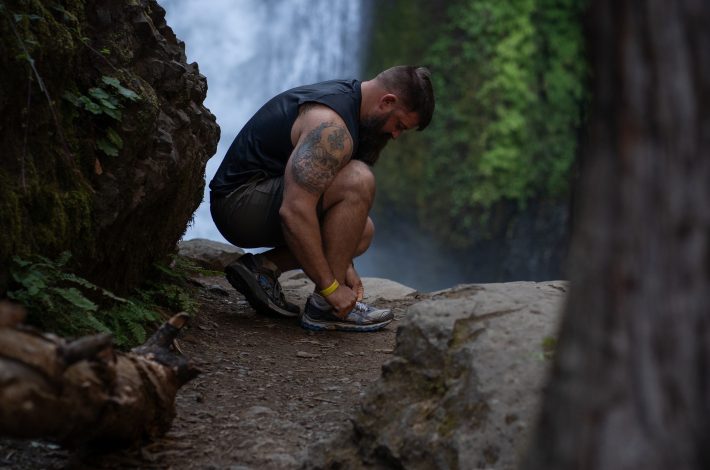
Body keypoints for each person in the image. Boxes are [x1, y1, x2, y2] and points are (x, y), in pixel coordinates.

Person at [209, 65, 435, 332]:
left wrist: (343, 262)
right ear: (387, 101)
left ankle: (262, 268)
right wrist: (332, 286)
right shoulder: (331, 127)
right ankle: (325, 308)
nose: (396, 135)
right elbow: (294, 210)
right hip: (239, 203)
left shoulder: (352, 100)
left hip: (258, 198)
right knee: (358, 179)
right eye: (399, 125)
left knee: (362, 232)